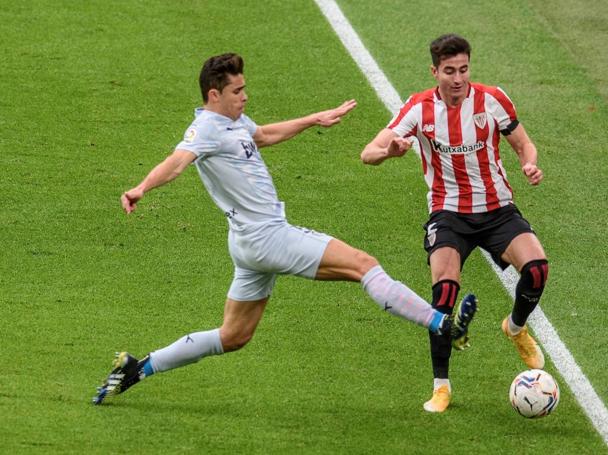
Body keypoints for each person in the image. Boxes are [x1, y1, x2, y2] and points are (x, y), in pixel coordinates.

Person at [93, 53, 477, 405]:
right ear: (215, 94)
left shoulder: (233, 121)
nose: (245, 96)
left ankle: (137, 368)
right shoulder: (206, 128)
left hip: (246, 244)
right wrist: (141, 187)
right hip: (267, 236)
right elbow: (176, 162)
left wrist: (313, 120)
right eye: (237, 91)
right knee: (363, 264)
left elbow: (263, 136)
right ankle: (443, 324)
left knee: (233, 336)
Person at [361, 34, 549, 413]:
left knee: (538, 269)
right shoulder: (418, 109)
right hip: (449, 214)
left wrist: (529, 162)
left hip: (497, 209)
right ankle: (441, 386)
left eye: (464, 69)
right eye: (449, 71)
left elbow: (524, 144)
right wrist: (390, 152)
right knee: (444, 295)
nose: (458, 78)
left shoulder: (492, 100)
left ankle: (515, 327)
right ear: (435, 72)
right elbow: (368, 153)